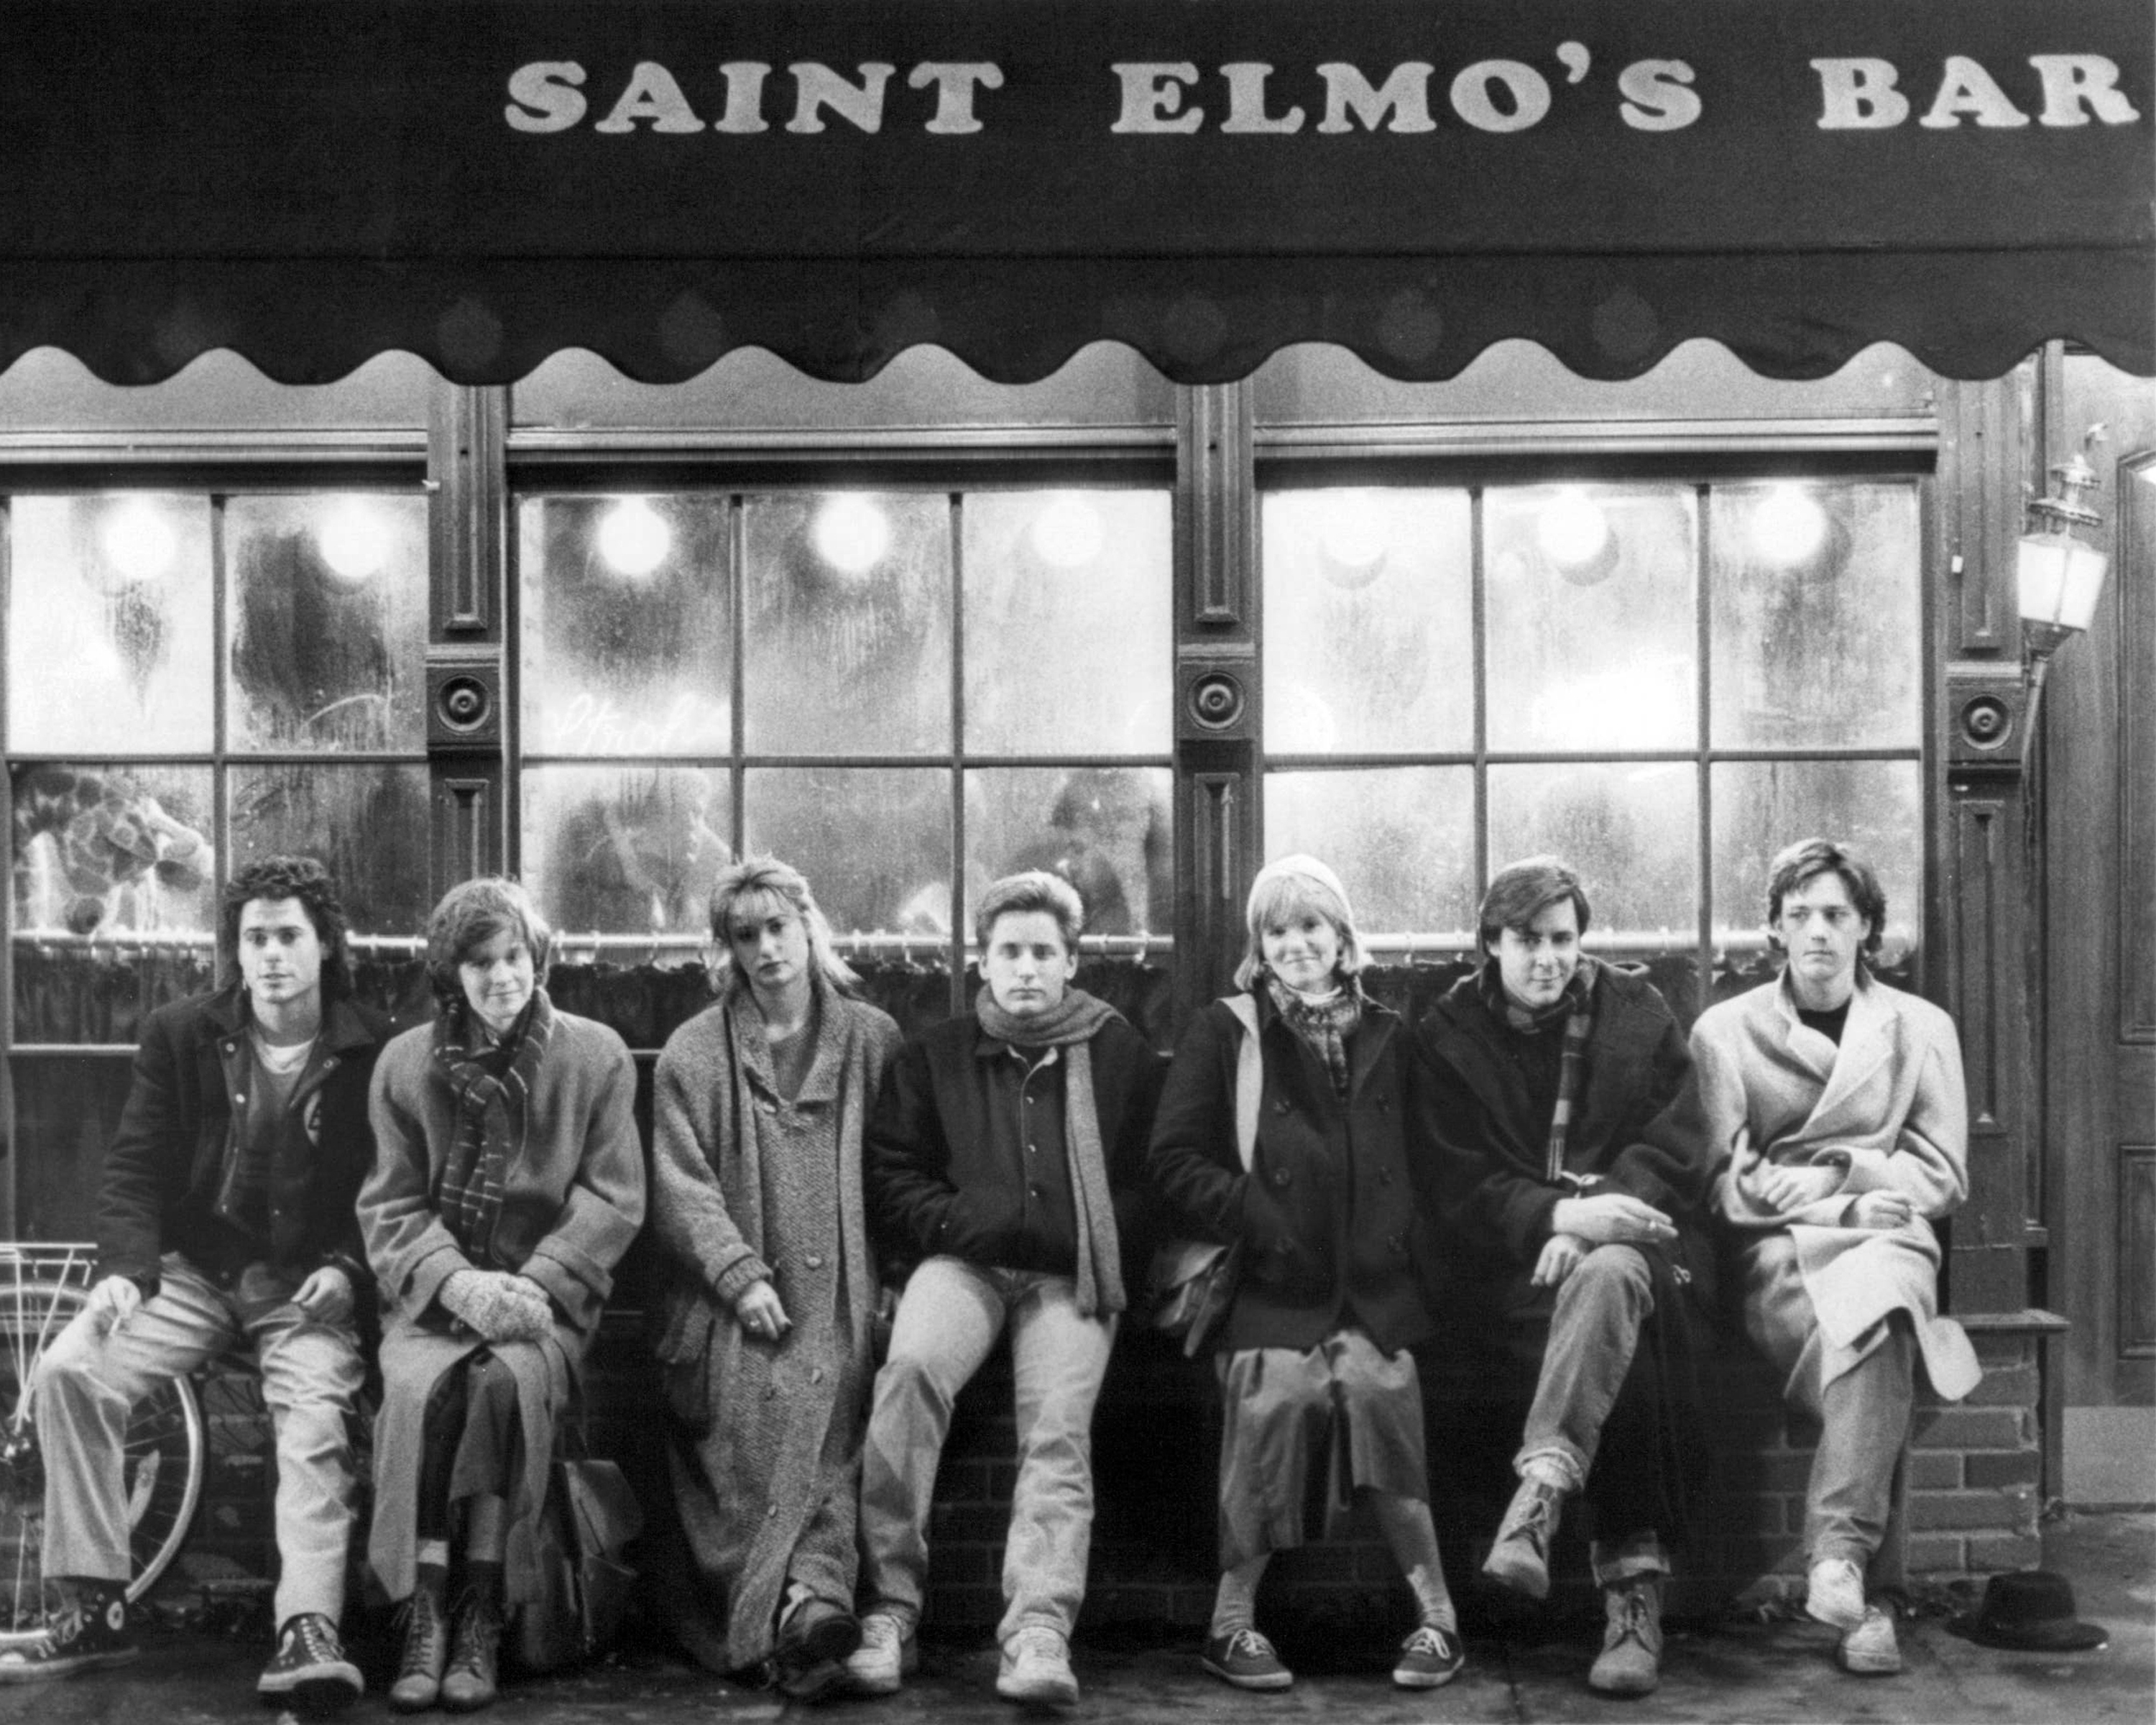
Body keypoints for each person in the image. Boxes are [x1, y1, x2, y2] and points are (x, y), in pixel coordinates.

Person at [0, 857, 387, 1710]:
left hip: (304, 1292)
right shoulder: (182, 1034)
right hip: (194, 1277)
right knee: (70, 1371)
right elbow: (134, 1169)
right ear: (235, 951)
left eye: (290, 936)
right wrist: (122, 1276)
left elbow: (393, 1188)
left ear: (324, 945)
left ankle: (307, 1628)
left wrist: (347, 1270)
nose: (273, 955)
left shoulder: (374, 1050)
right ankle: (99, 1606)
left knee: (315, 1421)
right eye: (256, 938)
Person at [1147, 855, 1462, 1695]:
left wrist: (1409, 1250)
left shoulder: (1391, 1033)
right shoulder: (1229, 1031)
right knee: (1275, 1398)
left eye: (1312, 928)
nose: (1296, 945)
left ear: (1343, 938)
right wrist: (1251, 1209)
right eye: (1278, 931)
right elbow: (1172, 1157)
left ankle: (1437, 1619)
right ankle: (1231, 1624)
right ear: (1260, 944)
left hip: (1372, 1283)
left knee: (1379, 1392)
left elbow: (1429, 1159)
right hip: (1272, 1284)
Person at [851, 870, 1164, 1708]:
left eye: (1044, 953)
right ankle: (889, 1611)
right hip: (964, 1266)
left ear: (1071, 963)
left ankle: (1037, 1632)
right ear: (983, 961)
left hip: (1073, 1275)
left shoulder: (1119, 1052)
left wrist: (1082, 1236)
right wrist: (962, 1224)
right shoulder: (939, 1054)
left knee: (1057, 1425)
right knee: (910, 1372)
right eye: (1009, 952)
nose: (1026, 969)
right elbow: (892, 1174)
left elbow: (1149, 1183)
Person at [1418, 856, 1715, 1696]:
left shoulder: (1636, 1013)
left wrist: (1595, 1224)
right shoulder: (1446, 1033)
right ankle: (1631, 1604)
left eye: (1562, 939)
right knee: (1619, 1335)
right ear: (1490, 943)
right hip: (1504, 1267)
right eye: (1525, 941)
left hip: (1633, 1246)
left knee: (1618, 1281)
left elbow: (1674, 1144)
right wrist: (1550, 1217)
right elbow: (1450, 1176)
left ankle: (1541, 1498)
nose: (1547, 958)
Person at [1690, 837, 1978, 1678]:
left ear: (1867, 930)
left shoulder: (1921, 1029)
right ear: (1775, 931)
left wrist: (1842, 1168)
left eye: (1836, 915)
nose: (1817, 931)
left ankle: (1839, 1565)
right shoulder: (1726, 1032)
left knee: (1883, 1311)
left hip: (1891, 1238)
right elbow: (1725, 1184)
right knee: (1879, 1350)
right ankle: (1865, 1600)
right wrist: (1841, 1197)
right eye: (1798, 915)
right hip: (1778, 1252)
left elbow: (1944, 1171)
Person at [361, 877, 644, 1714]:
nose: (501, 979)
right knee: (430, 1391)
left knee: (497, 1386)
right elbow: (390, 1203)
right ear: (452, 976)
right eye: (479, 964)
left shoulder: (595, 1056)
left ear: (538, 957)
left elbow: (613, 1198)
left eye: (514, 956)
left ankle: (479, 1610)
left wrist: (532, 1285)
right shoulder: (405, 1065)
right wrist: (455, 1282)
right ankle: (426, 1611)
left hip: (543, 1301)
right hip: (433, 1301)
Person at [647, 858, 902, 1698]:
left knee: (833, 1406)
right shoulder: (692, 1054)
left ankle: (809, 1600)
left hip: (845, 1299)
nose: (766, 950)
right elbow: (680, 1187)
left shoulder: (871, 1040)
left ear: (808, 927)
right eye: (744, 936)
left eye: (777, 928)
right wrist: (738, 1274)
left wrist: (894, 1279)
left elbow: (904, 1172)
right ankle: (798, 1607)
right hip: (729, 1305)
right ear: (727, 950)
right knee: (756, 1409)